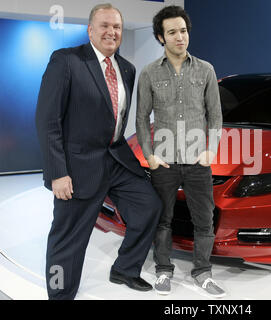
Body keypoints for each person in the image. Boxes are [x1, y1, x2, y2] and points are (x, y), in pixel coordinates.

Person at [35, 3, 162, 300]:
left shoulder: (127, 69)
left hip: (116, 158)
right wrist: (58, 173)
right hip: (78, 165)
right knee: (68, 236)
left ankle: (125, 269)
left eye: (116, 27)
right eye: (104, 25)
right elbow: (47, 120)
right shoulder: (66, 61)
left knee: (148, 206)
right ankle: (60, 294)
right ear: (90, 29)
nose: (111, 32)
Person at [136, 5, 225, 297]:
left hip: (198, 160)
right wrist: (150, 156)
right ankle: (163, 271)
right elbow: (141, 117)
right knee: (163, 219)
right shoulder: (149, 73)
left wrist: (211, 150)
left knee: (204, 218)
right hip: (164, 162)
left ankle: (202, 272)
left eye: (183, 31)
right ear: (161, 38)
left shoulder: (206, 70)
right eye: (172, 32)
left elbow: (215, 115)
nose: (179, 37)